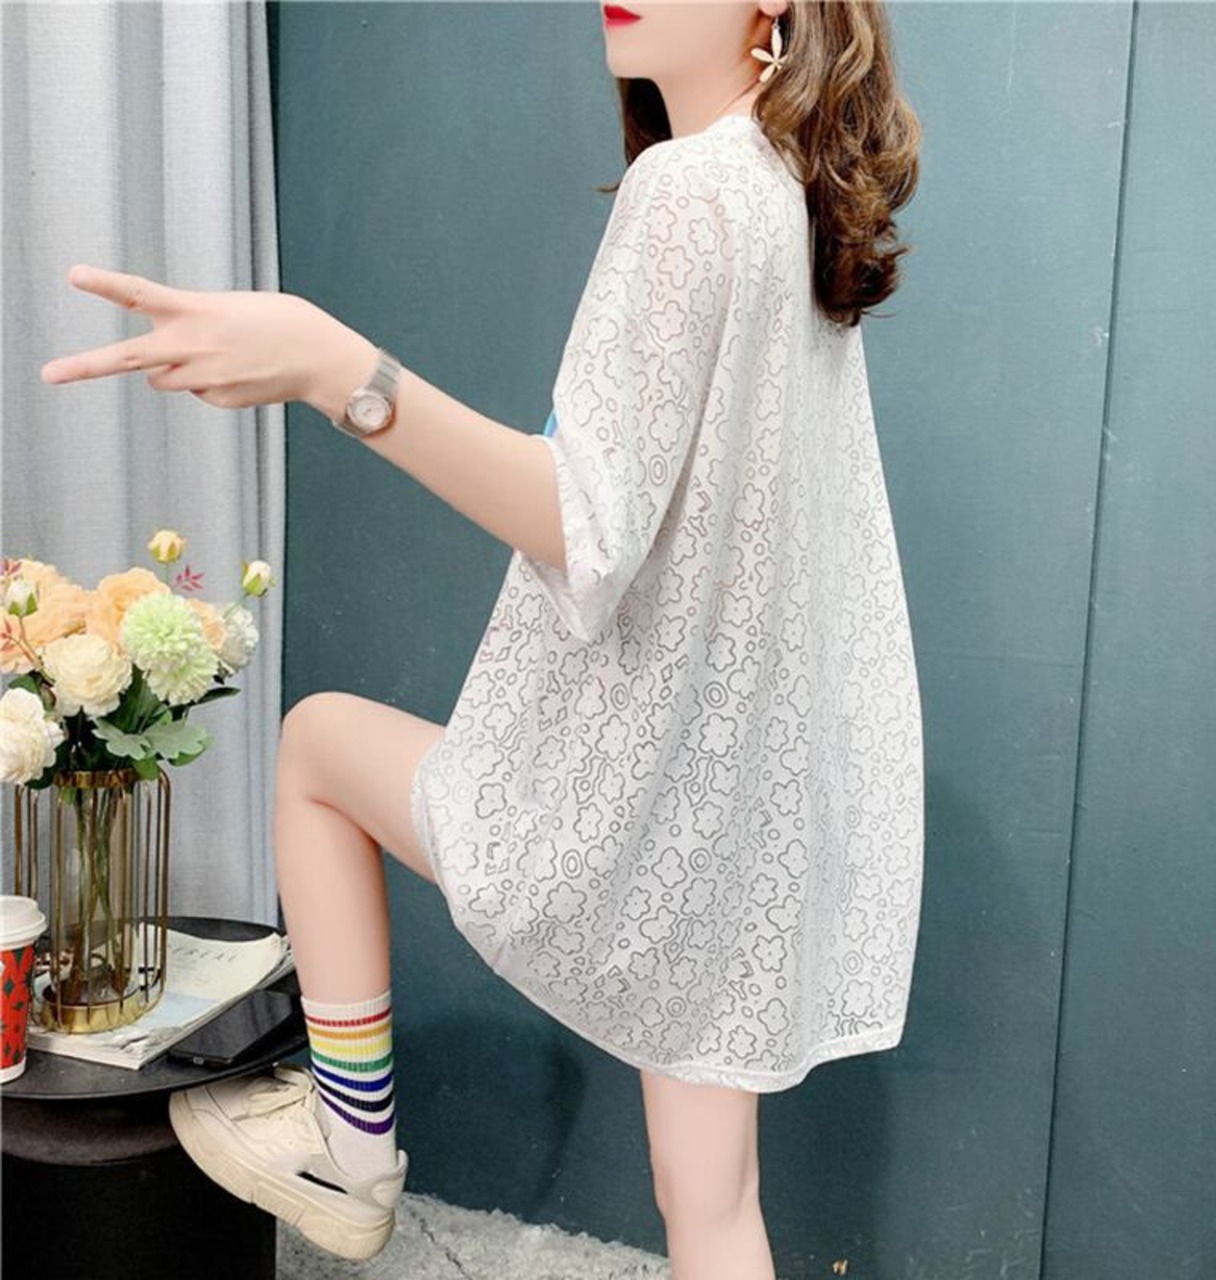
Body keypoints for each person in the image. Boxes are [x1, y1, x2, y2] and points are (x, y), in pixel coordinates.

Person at [38, 3, 924, 1275]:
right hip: (739, 811)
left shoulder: (687, 191)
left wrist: (335, 368)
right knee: (712, 1198)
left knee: (316, 746)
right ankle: (348, 1149)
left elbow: (583, 524)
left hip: (643, 803)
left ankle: (352, 1149)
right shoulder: (787, 195)